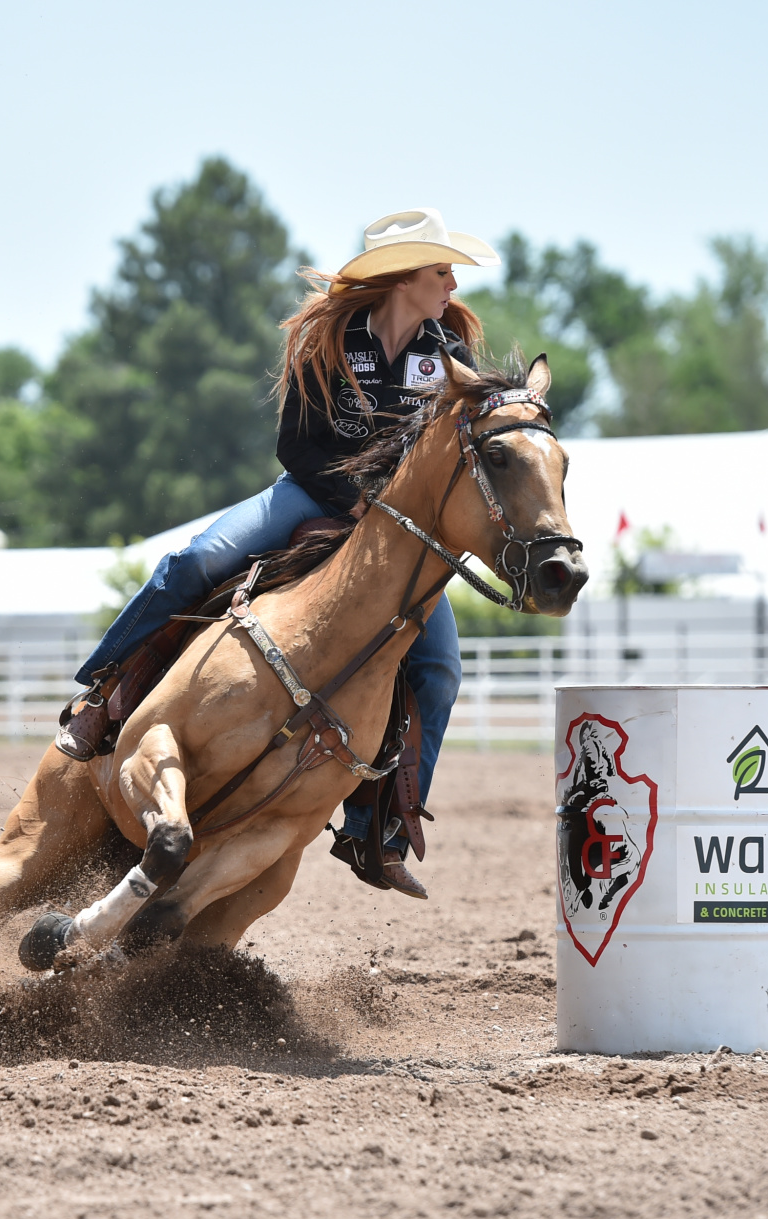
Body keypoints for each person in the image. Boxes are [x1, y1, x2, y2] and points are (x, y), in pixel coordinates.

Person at [54, 208, 500, 900]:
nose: (452, 283)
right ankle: (104, 697)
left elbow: (467, 443)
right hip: (312, 496)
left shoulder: (449, 359)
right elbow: (295, 445)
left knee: (438, 667)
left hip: (398, 534)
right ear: (402, 276)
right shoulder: (331, 340)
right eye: (441, 269)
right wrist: (350, 499)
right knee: (195, 564)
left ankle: (374, 828)